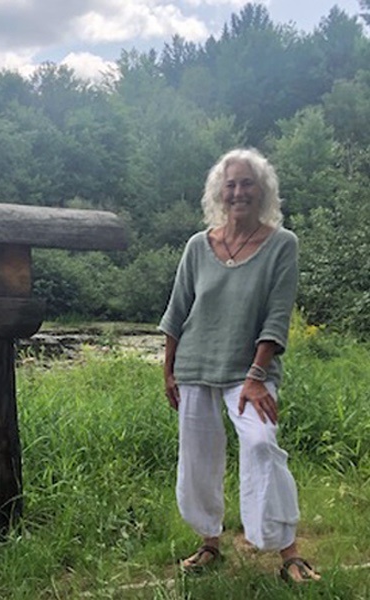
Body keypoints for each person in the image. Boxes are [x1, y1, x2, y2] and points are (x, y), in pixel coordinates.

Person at [158, 148, 320, 583]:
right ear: (219, 192)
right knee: (198, 457)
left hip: (250, 374)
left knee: (262, 444)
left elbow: (276, 317)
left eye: (247, 183)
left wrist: (256, 377)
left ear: (262, 190)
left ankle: (289, 553)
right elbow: (177, 311)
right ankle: (209, 543)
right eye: (230, 184)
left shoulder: (282, 244)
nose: (238, 192)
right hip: (194, 367)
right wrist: (168, 370)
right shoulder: (198, 246)